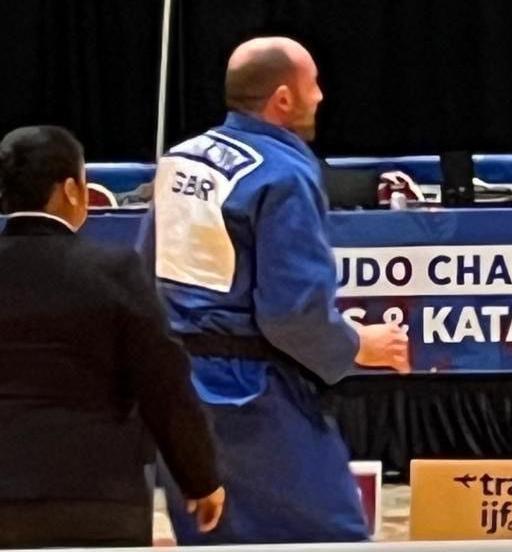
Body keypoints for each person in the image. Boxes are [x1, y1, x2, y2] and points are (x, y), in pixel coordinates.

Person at [147, 37, 410, 544]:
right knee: (330, 537)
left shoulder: (182, 160)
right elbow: (292, 314)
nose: (321, 97)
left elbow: (148, 274)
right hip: (255, 399)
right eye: (313, 85)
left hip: (179, 396)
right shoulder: (284, 174)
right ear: (283, 98)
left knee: (211, 537)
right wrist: (360, 344)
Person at [0, 126, 224, 547]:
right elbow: (164, 385)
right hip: (96, 497)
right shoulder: (114, 270)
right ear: (70, 190)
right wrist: (200, 478)